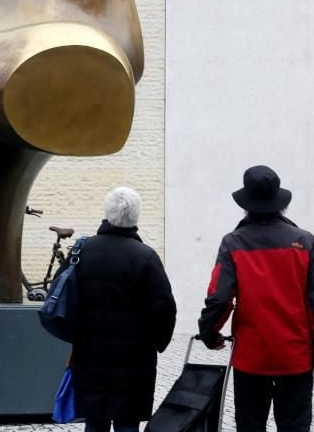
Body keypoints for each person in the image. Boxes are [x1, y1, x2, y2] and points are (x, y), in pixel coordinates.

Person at [199, 165, 314, 432]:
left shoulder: (234, 242)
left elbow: (219, 297)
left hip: (251, 358)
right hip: (295, 356)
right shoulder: (305, 242)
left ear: (246, 203)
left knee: (250, 426)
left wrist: (209, 333)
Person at [71, 187, 177, 432]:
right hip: (134, 357)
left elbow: (66, 298)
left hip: (90, 353)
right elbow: (164, 309)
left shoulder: (82, 252)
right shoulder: (145, 257)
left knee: (94, 419)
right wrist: (158, 341)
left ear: (107, 214)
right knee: (127, 420)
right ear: (135, 218)